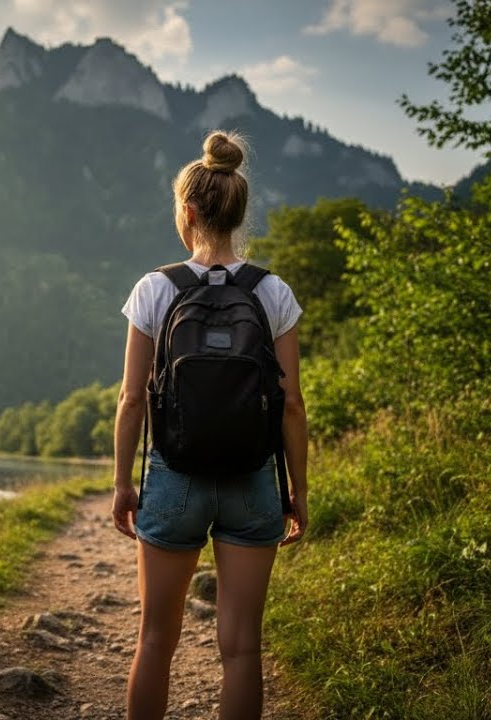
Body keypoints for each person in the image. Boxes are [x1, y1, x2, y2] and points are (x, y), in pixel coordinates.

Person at [111, 130, 309, 720]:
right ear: (239, 210)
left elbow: (130, 399)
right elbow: (292, 404)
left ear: (189, 212)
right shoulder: (273, 292)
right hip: (253, 483)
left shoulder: (155, 288)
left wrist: (124, 484)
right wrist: (296, 493)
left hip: (174, 479)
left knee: (154, 640)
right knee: (243, 648)